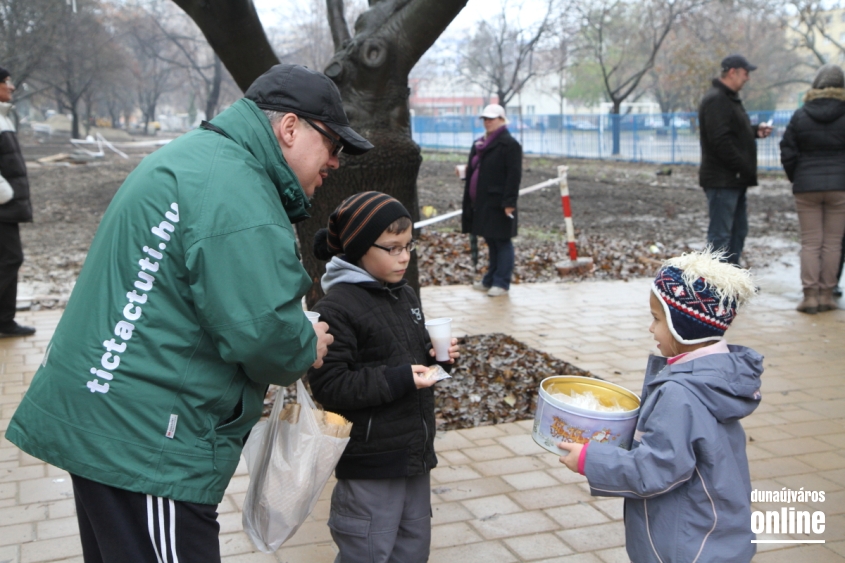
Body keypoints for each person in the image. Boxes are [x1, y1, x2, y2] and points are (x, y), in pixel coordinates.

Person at [6, 64, 373, 562]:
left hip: (113, 416)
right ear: (290, 128)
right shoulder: (237, 190)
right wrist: (307, 345)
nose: (335, 162)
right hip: (146, 440)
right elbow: (266, 339)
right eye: (333, 147)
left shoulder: (202, 161)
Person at [558, 248, 762, 563]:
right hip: (716, 532)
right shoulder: (715, 376)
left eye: (657, 319)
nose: (650, 328)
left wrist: (590, 460)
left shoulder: (681, 393)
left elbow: (655, 469)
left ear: (686, 327)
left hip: (684, 547)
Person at [308, 191, 460, 563]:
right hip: (371, 463)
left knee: (412, 547)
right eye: (392, 248)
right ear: (360, 248)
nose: (404, 256)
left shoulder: (403, 294)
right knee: (368, 549)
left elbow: (408, 357)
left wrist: (440, 360)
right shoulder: (336, 307)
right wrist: (400, 378)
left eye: (408, 246)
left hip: (414, 454)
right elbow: (331, 386)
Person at [780, 63, 845, 314]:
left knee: (810, 242)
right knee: (832, 243)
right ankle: (826, 295)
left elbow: (787, 149)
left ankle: (809, 296)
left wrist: (796, 176)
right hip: (840, 187)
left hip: (807, 186)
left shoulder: (801, 114)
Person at [698, 54, 772, 265]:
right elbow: (720, 140)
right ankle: (713, 285)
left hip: (733, 179)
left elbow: (732, 132)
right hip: (723, 180)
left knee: (738, 231)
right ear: (733, 72)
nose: (747, 78)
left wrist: (755, 131)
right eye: (745, 73)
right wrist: (741, 166)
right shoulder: (717, 100)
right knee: (721, 235)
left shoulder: (728, 99)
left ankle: (730, 281)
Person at [461, 103, 522, 296]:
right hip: (482, 202)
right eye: (485, 119)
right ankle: (490, 279)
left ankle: (501, 282)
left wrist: (509, 203)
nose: (487, 122)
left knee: (502, 241)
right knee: (491, 240)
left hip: (499, 203)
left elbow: (514, 175)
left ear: (502, 120)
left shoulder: (509, 145)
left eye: (491, 119)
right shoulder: (479, 144)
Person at [0, 65, 35, 338]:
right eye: (7, 82)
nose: (12, 87)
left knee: (9, 259)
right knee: (10, 258)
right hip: (2, 206)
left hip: (6, 208)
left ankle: (4, 322)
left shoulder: (4, 117)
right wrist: (5, 194)